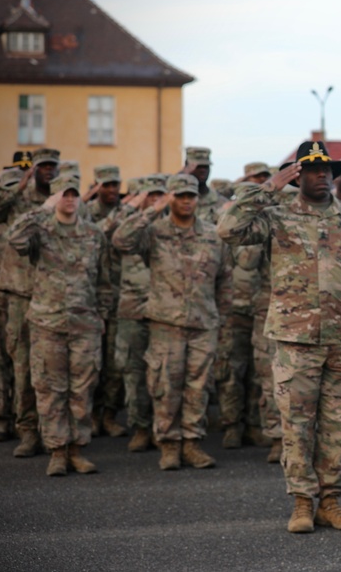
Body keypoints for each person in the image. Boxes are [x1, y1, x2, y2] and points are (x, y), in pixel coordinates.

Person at [218, 141, 341, 534]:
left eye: (326, 169)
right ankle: (302, 502)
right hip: (295, 341)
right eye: (311, 169)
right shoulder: (276, 217)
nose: (321, 174)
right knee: (296, 426)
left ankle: (332, 501)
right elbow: (227, 227)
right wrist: (269, 187)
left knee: (337, 427)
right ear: (297, 175)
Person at [113, 173, 233, 471]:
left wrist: (222, 320)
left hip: (204, 324)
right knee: (166, 384)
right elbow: (120, 239)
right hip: (166, 324)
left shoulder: (212, 235)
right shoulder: (153, 232)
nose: (186, 201)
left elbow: (225, 280)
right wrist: (152, 209)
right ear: (171, 198)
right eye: (179, 196)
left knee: (199, 386)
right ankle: (168, 444)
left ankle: (191, 443)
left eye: (190, 196)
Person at [7, 175, 112, 476]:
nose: (69, 199)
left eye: (74, 194)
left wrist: (101, 315)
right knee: (50, 389)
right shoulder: (40, 231)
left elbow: (104, 281)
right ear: (53, 198)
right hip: (47, 322)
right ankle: (56, 450)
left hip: (84, 324)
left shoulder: (93, 234)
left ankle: (76, 449)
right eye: (63, 194)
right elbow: (14, 239)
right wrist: (43, 208)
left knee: (81, 389)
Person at [0, 147, 60, 457]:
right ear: (33, 170)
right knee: (22, 368)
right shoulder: (17, 200)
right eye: (43, 166)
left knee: (50, 370)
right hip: (20, 295)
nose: (48, 171)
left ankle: (53, 433)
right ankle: (27, 430)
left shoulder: (62, 202)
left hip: (51, 295)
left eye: (52, 166)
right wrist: (18, 187)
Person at [105, 175, 168, 452]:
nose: (155, 200)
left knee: (164, 374)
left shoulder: (171, 227)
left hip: (164, 311)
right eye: (150, 195)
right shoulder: (129, 226)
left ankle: (162, 428)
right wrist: (141, 211)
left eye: (159, 195)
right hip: (131, 310)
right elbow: (112, 238)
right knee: (133, 372)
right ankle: (141, 426)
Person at [216, 162, 272, 450]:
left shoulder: (270, 223)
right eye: (256, 179)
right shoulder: (228, 222)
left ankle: (255, 424)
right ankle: (231, 426)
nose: (263, 182)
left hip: (263, 309)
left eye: (267, 178)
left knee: (261, 372)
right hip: (234, 309)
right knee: (232, 371)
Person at [84, 164, 127, 438]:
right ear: (96, 186)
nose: (112, 190)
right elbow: (94, 237)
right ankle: (89, 415)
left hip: (122, 297)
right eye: (106, 185)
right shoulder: (86, 214)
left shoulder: (128, 210)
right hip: (92, 299)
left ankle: (108, 414)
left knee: (116, 362)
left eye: (115, 185)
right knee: (91, 362)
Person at [0, 167, 26, 442]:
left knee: (19, 357)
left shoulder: (23, 222)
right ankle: (0, 418)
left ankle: (20, 417)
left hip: (15, 294)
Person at [183, 147, 228, 224]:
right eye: (198, 167)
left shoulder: (220, 202)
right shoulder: (175, 201)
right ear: (186, 167)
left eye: (206, 167)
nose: (203, 170)